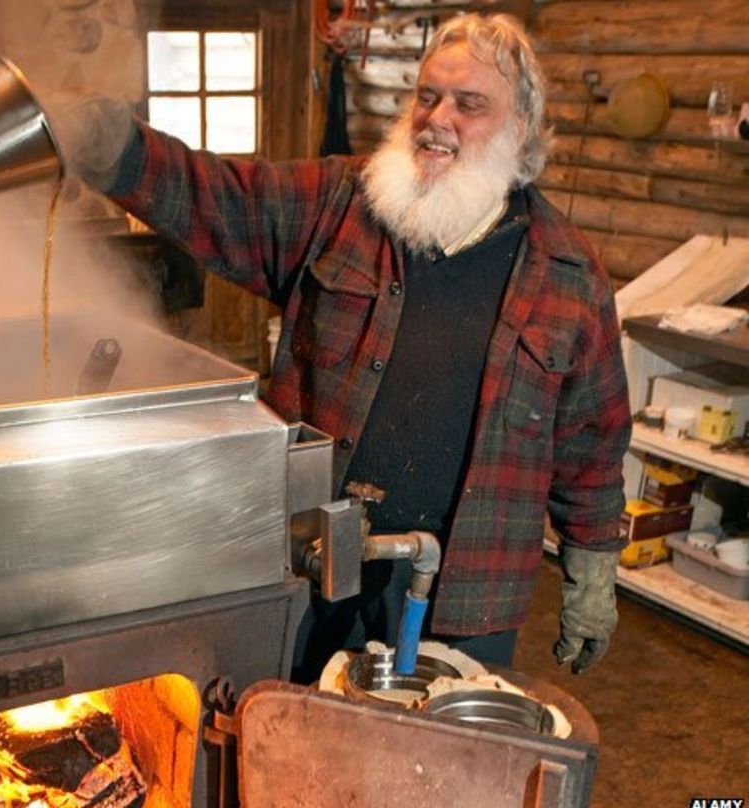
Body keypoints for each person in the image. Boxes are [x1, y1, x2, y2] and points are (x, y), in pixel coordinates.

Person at [49, 13, 632, 678]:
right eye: (428, 96)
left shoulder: (569, 275)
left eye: (470, 104)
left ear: (520, 129)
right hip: (308, 561)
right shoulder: (340, 203)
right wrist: (118, 151)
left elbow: (592, 442)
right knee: (279, 741)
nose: (438, 119)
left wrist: (592, 573)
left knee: (434, 766)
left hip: (463, 595)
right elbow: (220, 198)